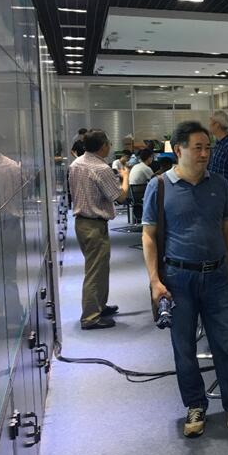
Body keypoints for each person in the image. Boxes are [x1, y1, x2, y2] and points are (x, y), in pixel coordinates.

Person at [141, 121, 228, 438]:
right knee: (184, 346)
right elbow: (149, 235)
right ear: (179, 150)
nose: (205, 154)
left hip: (216, 276)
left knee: (224, 344)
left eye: (207, 148)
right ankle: (195, 405)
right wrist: (154, 281)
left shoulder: (219, 184)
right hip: (178, 279)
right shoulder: (160, 186)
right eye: (198, 148)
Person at [68, 129, 130, 329]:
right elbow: (120, 197)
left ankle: (99, 306)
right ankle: (90, 317)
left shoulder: (76, 164)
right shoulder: (101, 168)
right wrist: (125, 177)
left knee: (99, 268)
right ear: (103, 146)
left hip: (82, 223)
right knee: (95, 272)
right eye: (109, 143)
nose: (110, 146)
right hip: (94, 226)